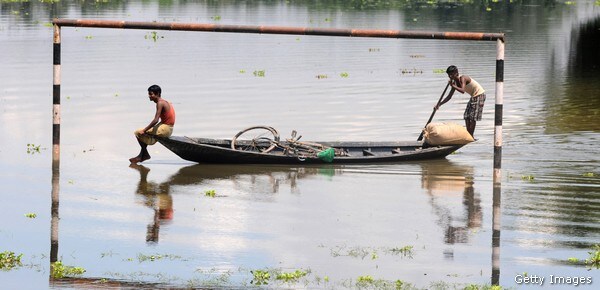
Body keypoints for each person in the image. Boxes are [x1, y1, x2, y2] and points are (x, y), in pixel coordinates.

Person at [435, 65, 486, 137]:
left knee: (472, 117)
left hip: (479, 95)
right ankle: (468, 134)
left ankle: (470, 135)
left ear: (456, 72)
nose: (450, 76)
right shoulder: (454, 82)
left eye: (452, 74)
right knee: (466, 116)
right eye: (449, 75)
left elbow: (462, 90)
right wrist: (439, 104)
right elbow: (449, 96)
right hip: (473, 96)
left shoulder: (463, 78)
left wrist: (453, 86)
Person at [129, 85, 176, 164]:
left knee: (138, 132)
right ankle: (142, 155)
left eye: (151, 94)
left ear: (157, 94)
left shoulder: (160, 103)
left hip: (165, 128)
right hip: (168, 127)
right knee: (144, 132)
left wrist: (144, 130)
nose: (149, 96)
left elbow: (155, 120)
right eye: (149, 94)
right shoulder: (165, 101)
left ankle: (144, 155)